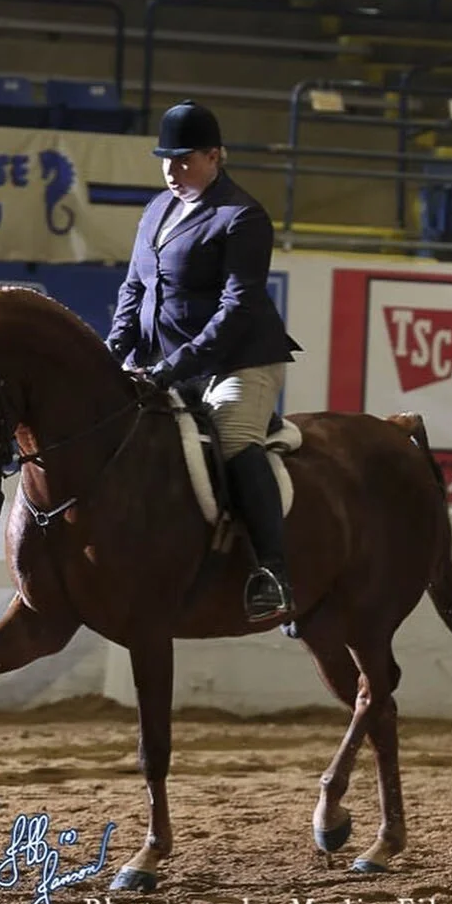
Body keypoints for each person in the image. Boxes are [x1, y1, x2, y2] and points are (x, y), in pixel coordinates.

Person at [105, 99, 300, 624]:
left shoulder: (242, 217)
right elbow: (134, 289)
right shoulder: (156, 211)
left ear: (216, 156)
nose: (171, 170)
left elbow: (238, 308)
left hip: (238, 362)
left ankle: (273, 573)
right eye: (165, 159)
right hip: (167, 361)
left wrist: (179, 364)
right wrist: (113, 352)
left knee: (235, 439)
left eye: (185, 159)